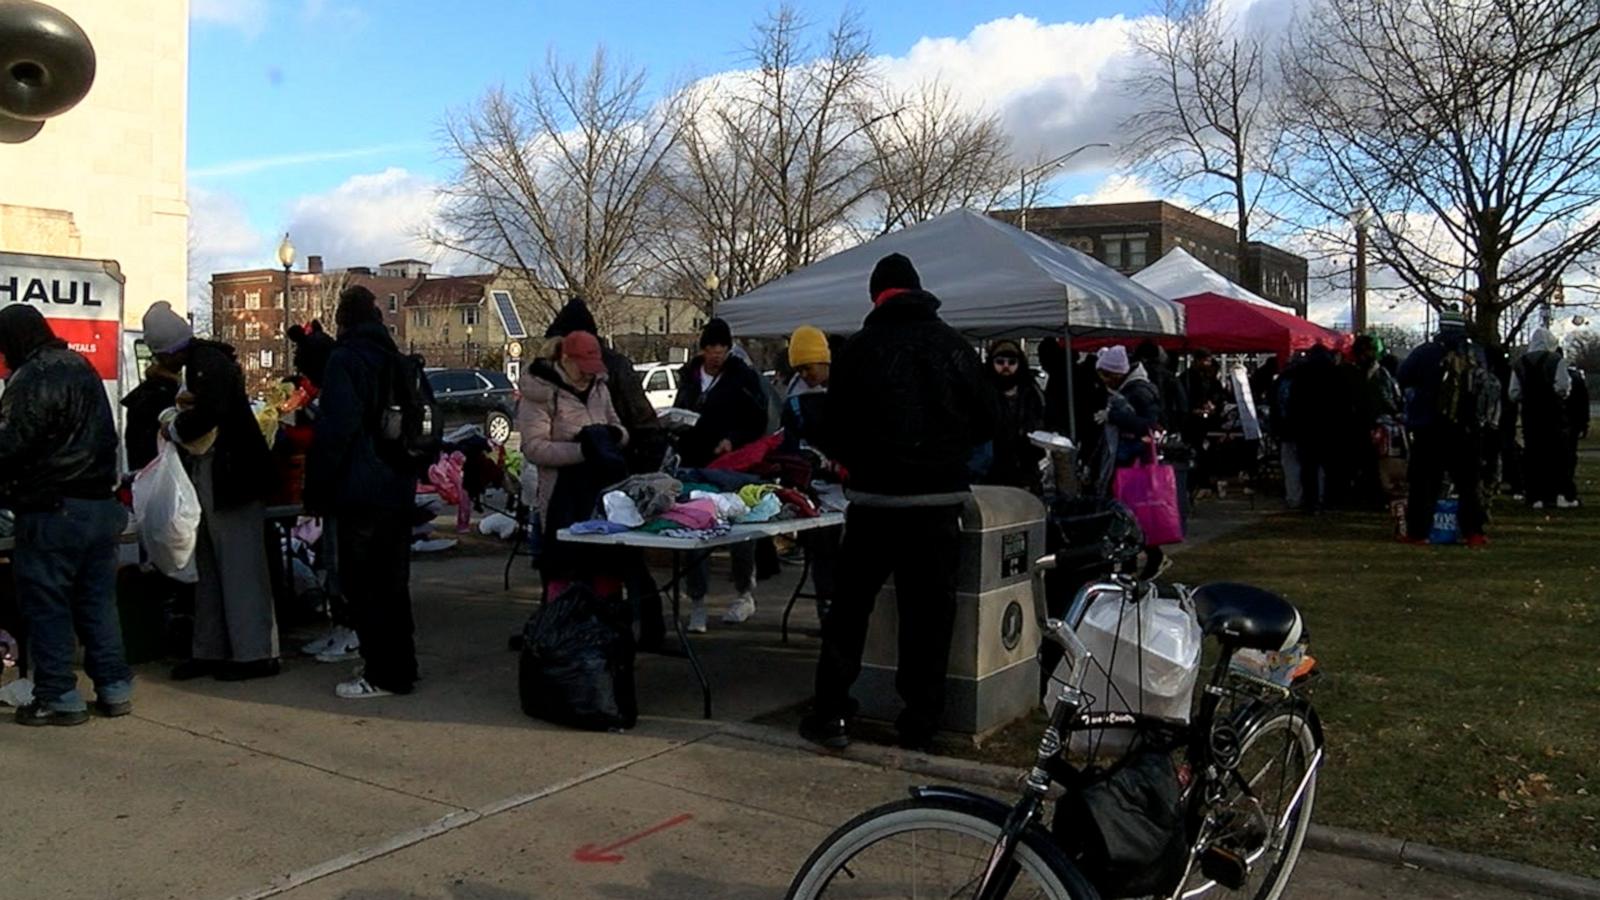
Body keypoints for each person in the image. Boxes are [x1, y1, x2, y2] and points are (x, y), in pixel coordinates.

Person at [801, 252, 995, 751]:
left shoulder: (859, 351)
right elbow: (990, 420)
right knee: (928, 617)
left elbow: (833, 427)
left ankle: (832, 711)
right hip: (937, 503)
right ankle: (920, 721)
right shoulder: (955, 347)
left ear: (875, 296)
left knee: (849, 613)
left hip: (874, 502)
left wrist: (862, 461)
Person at [0, 306, 130, 726]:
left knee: (48, 604)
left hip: (52, 508)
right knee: (97, 602)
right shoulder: (81, 366)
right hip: (98, 504)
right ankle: (114, 687)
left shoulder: (31, 378)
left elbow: (11, 446)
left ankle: (59, 695)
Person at [145, 302, 281, 682]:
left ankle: (251, 652)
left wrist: (174, 427)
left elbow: (210, 414)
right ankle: (221, 649)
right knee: (216, 564)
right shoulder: (207, 363)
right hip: (223, 474)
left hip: (229, 474)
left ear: (168, 350)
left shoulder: (207, 367)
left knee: (236, 565)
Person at [306, 286, 421, 698]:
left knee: (365, 586)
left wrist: (316, 490)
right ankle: (401, 666)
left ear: (342, 321)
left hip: (359, 487)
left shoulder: (345, 360)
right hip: (397, 483)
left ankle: (381, 672)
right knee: (393, 584)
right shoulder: (394, 358)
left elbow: (336, 430)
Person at [543, 297, 665, 647]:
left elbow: (637, 422)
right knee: (606, 561)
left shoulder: (607, 370)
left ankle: (598, 631)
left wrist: (629, 465)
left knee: (618, 560)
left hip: (616, 473)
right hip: (603, 473)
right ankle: (582, 630)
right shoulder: (586, 369)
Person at [672, 318, 769, 630]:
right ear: (702, 349)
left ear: (729, 349)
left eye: (721, 349)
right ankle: (697, 601)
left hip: (732, 465)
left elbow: (757, 420)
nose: (715, 354)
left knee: (739, 529)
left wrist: (733, 439)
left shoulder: (743, 378)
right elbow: (680, 406)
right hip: (693, 459)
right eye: (711, 348)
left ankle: (744, 592)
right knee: (693, 529)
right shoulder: (688, 377)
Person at [517, 330, 629, 589]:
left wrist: (614, 436)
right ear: (566, 359)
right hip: (561, 496)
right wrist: (583, 451)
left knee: (606, 569)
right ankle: (562, 623)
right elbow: (533, 447)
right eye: (583, 366)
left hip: (603, 493)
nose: (588, 373)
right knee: (563, 572)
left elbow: (618, 426)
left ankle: (606, 623)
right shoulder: (541, 392)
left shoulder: (600, 387)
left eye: (593, 366)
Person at [1398, 308, 1488, 545]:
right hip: (1467, 427)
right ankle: (1473, 532)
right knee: (1468, 482)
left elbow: (1403, 376)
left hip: (1429, 426)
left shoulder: (1426, 352)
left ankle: (1418, 532)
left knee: (1424, 481)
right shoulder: (1475, 353)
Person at [782, 325, 839, 623]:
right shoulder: (794, 400)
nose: (805, 374)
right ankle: (826, 613)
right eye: (799, 369)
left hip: (849, 488)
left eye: (808, 366)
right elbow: (788, 442)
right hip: (816, 490)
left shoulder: (848, 390)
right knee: (822, 555)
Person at [1509, 327, 1573, 509]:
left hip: (1530, 414)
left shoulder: (1519, 363)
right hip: (1553, 413)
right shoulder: (1556, 360)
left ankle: (1535, 495)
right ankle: (1560, 493)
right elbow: (1562, 386)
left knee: (1533, 454)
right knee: (1558, 454)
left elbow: (1513, 393)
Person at [1091, 345, 1163, 498]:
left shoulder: (1140, 391)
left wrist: (1113, 417)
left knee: (1129, 498)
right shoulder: (1127, 389)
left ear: (1117, 374)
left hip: (1134, 456)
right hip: (1128, 455)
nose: (1104, 382)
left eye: (1106, 376)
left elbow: (1150, 425)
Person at [981, 339, 1046, 493]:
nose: (1006, 367)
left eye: (1011, 362)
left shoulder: (1030, 391)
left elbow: (1042, 419)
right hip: (992, 465)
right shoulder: (984, 390)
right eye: (1000, 361)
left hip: (1025, 463)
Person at [1564, 366, 1590, 505]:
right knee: (1569, 455)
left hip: (1558, 419)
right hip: (1572, 420)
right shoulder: (1576, 377)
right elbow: (1583, 401)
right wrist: (1584, 422)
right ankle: (1567, 489)